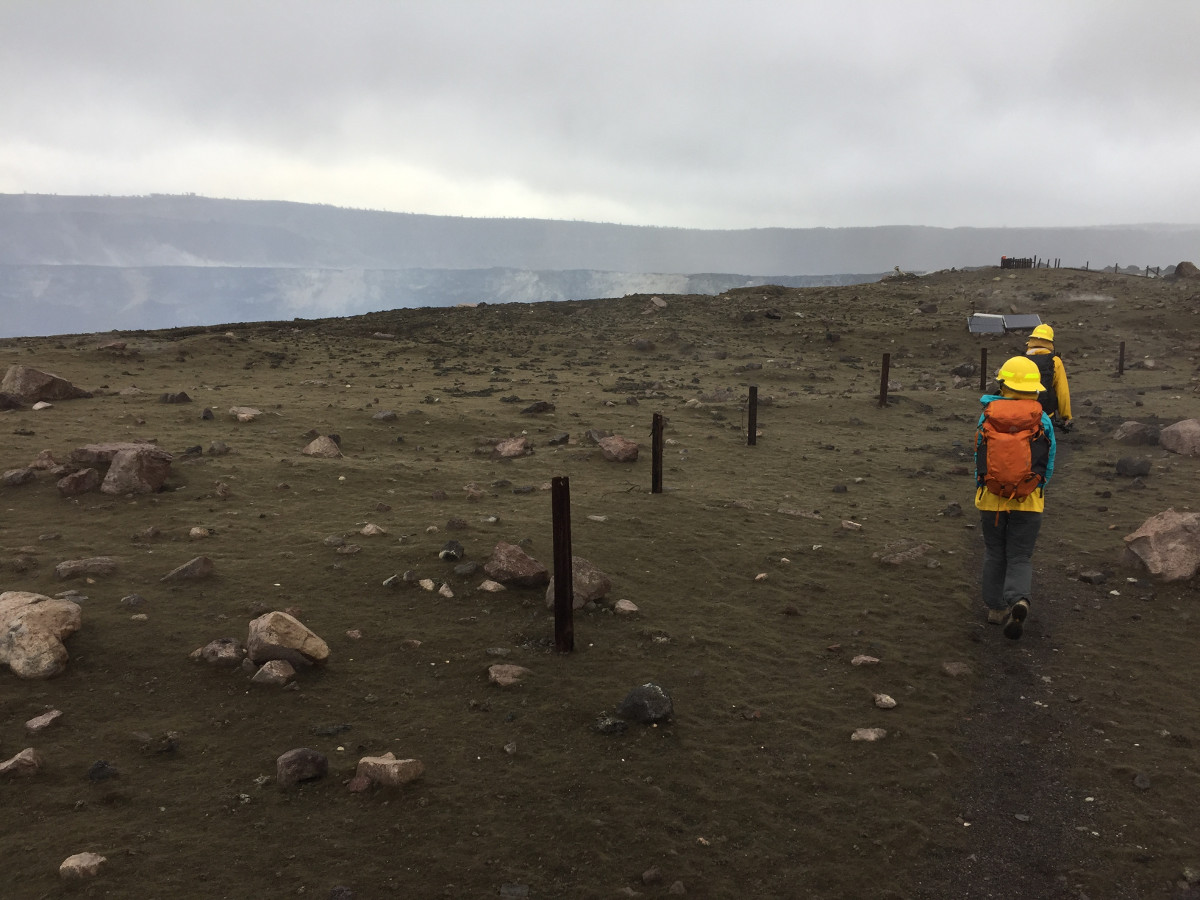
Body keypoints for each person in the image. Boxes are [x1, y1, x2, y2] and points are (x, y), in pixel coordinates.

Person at [974, 356, 1056, 640]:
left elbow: (979, 455)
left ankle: (996, 609)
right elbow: (1049, 460)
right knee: (1020, 555)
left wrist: (982, 486)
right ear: (1034, 388)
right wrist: (1037, 487)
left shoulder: (988, 414)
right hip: (1029, 500)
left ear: (1003, 384)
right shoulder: (1042, 418)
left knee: (995, 553)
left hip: (991, 499)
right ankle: (1019, 600)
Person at [1025, 323, 1073, 431]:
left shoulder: (1023, 360)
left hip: (1024, 412)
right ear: (1050, 342)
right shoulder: (1055, 361)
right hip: (1046, 413)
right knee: (1046, 443)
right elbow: (1062, 391)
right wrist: (1065, 416)